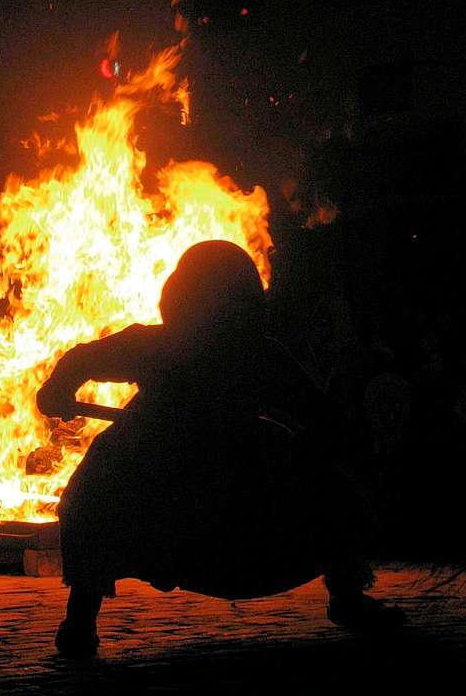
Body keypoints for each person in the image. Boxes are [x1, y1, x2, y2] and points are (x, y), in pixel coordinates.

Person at [37, 240, 404, 656]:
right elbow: (84, 359)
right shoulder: (169, 345)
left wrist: (331, 439)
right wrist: (57, 387)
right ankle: (81, 617)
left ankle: (347, 597)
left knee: (329, 489)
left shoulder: (252, 353)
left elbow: (313, 411)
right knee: (95, 492)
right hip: (159, 458)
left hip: (232, 465)